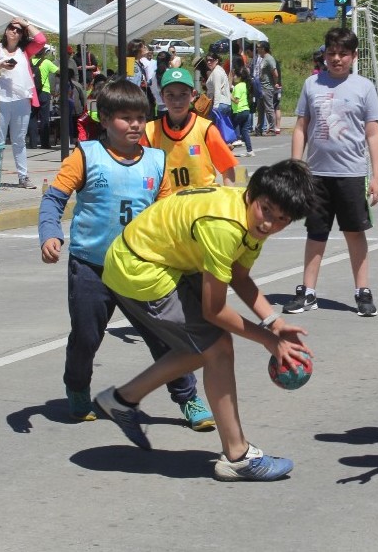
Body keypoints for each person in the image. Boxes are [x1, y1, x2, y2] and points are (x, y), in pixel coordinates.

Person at [93, 160, 317, 481]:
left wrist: (275, 323)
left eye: (282, 220)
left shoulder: (250, 216)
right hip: (139, 265)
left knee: (205, 348)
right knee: (217, 347)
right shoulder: (226, 226)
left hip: (168, 259)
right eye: (266, 211)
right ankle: (237, 457)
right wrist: (269, 340)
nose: (269, 224)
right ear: (253, 194)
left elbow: (239, 276)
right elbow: (215, 310)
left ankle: (121, 401)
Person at [38, 79, 213, 428]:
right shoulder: (86, 155)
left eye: (139, 117)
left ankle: (188, 399)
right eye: (125, 118)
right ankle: (77, 388)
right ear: (104, 120)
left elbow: (167, 217)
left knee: (164, 336)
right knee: (86, 336)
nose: (134, 124)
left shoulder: (156, 161)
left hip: (139, 269)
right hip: (92, 265)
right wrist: (50, 233)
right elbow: (54, 198)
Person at [283, 27, 378, 318]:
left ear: (353, 56)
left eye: (343, 54)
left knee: (354, 232)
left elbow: (373, 133)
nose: (336, 59)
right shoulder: (311, 84)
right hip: (316, 174)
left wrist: (375, 176)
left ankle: (362, 292)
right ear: (324, 54)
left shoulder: (363, 87)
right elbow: (301, 127)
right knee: (316, 232)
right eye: (331, 53)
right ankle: (308, 292)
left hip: (351, 173)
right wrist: (295, 166)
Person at [141, 68, 236, 192]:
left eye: (183, 94)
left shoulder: (205, 128)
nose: (177, 101)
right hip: (168, 206)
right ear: (162, 97)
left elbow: (227, 167)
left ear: (193, 95)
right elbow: (143, 172)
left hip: (201, 203)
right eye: (170, 95)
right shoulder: (150, 131)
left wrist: (229, 199)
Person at [0, 17, 47, 188]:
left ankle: (23, 177)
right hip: (0, 100)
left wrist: (26, 24)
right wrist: (0, 65)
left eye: (18, 30)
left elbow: (41, 40)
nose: (14, 31)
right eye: (11, 28)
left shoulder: (24, 50)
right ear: (6, 30)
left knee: (19, 140)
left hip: (22, 100)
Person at [28, 47, 58, 149]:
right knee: (44, 118)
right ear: (44, 53)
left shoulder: (30, 61)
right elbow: (58, 71)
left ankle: (32, 143)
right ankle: (45, 143)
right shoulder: (46, 62)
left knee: (32, 117)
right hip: (44, 92)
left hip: (32, 92)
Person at [255, 41, 279, 136]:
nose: (257, 50)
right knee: (260, 109)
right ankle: (259, 128)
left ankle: (272, 128)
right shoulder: (263, 58)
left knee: (269, 108)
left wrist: (274, 83)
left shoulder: (269, 59)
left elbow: (275, 73)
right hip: (261, 87)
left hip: (267, 87)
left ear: (264, 49)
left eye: (259, 48)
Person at [205, 52, 232, 129]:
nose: (209, 62)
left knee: (216, 129)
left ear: (216, 61)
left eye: (211, 60)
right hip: (226, 103)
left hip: (219, 104)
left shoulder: (216, 72)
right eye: (207, 60)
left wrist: (215, 107)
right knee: (224, 130)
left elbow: (217, 90)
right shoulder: (221, 70)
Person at [231, 67, 254, 158]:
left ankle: (237, 139)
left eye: (235, 75)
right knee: (245, 131)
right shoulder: (244, 85)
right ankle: (250, 150)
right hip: (246, 110)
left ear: (240, 77)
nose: (234, 77)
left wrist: (229, 96)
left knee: (233, 124)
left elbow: (236, 100)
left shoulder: (237, 87)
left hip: (239, 110)